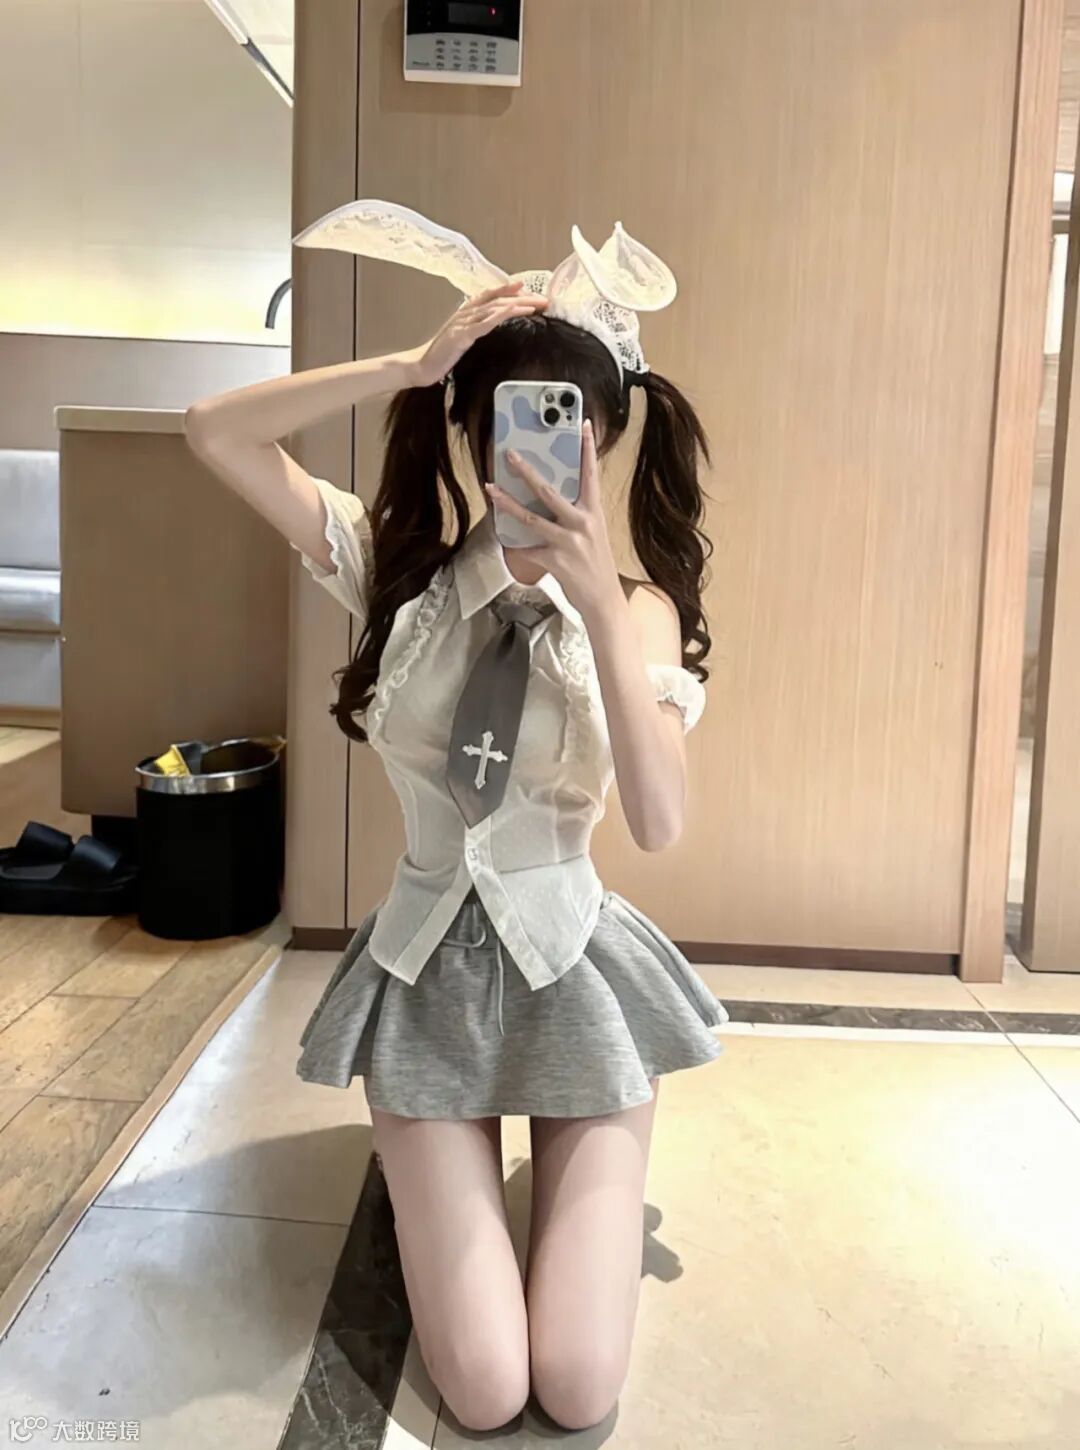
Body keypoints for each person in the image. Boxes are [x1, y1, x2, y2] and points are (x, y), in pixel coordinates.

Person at [184, 205, 729, 1434]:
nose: (537, 447)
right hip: (425, 972)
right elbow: (213, 429)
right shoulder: (399, 582)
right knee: (484, 1387)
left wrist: (597, 605)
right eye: (507, 420)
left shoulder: (638, 612)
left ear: (603, 434)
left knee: (576, 1380)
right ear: (473, 431)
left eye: (566, 423)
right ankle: (455, 1169)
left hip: (575, 974)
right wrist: (409, 363)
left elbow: (658, 822)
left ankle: (573, 1154)